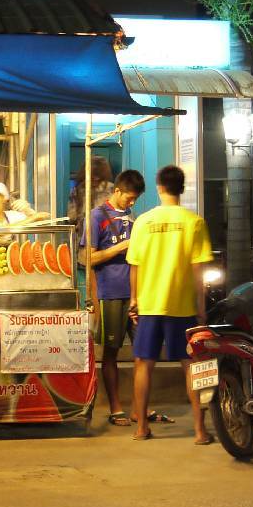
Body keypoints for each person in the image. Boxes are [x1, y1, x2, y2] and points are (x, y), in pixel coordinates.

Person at [126, 165, 214, 444]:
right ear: (182, 188)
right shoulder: (194, 222)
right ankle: (200, 431)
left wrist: (134, 300)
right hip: (183, 306)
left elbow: (134, 266)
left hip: (150, 304)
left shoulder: (143, 222)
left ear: (159, 187)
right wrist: (201, 308)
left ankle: (141, 428)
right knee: (191, 365)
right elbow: (198, 270)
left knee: (143, 364)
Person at [81, 169, 164, 427]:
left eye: (135, 199)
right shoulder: (96, 217)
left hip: (138, 293)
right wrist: (121, 246)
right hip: (110, 293)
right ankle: (116, 407)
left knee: (143, 352)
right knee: (111, 352)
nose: (131, 203)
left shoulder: (133, 218)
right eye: (129, 198)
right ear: (116, 191)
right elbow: (87, 258)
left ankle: (140, 408)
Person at [0, 181, 48, 248]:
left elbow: (40, 221)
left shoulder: (11, 216)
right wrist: (32, 218)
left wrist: (27, 210)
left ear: (4, 199)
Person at [67, 156, 114, 242]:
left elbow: (71, 217)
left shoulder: (78, 190)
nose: (95, 180)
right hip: (106, 239)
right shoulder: (111, 189)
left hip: (84, 238)